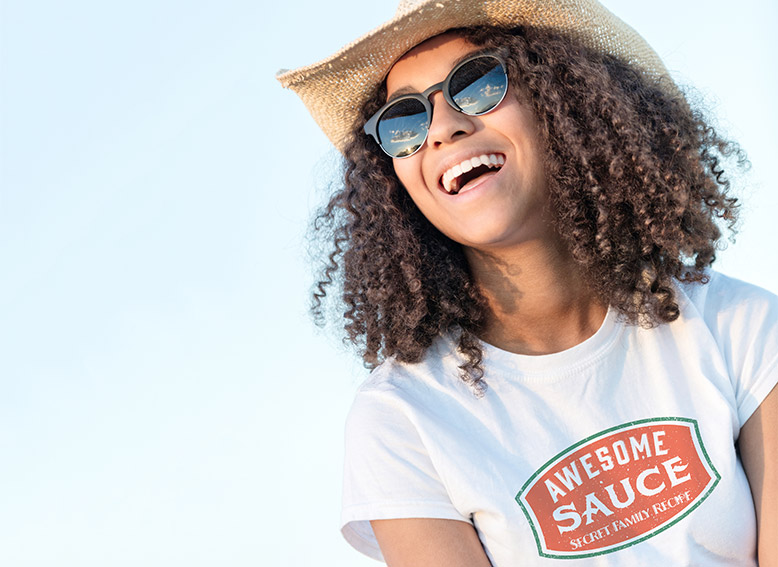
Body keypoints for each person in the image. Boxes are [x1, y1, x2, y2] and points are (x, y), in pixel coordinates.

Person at [278, 0, 777, 564]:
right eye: (404, 121)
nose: (442, 128)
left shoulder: (739, 328)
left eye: (477, 83)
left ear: (562, 95)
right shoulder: (401, 419)